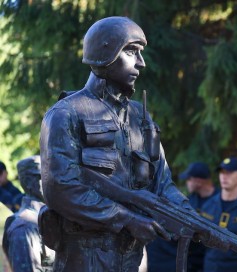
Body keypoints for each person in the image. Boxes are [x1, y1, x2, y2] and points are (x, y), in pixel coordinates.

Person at [39, 16, 192, 271]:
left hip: (130, 257)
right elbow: (60, 187)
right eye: (132, 52)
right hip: (84, 255)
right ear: (105, 54)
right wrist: (126, 219)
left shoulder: (140, 117)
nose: (141, 63)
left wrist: (185, 213)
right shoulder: (66, 113)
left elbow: (161, 182)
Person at [147, 162, 219, 272]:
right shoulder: (190, 199)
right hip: (189, 261)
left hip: (209, 260)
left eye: (189, 179)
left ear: (198, 181)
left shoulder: (219, 201)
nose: (187, 183)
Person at [2, 155, 55, 271]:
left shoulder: (50, 217)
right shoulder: (24, 228)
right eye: (46, 176)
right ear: (30, 183)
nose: (54, 182)